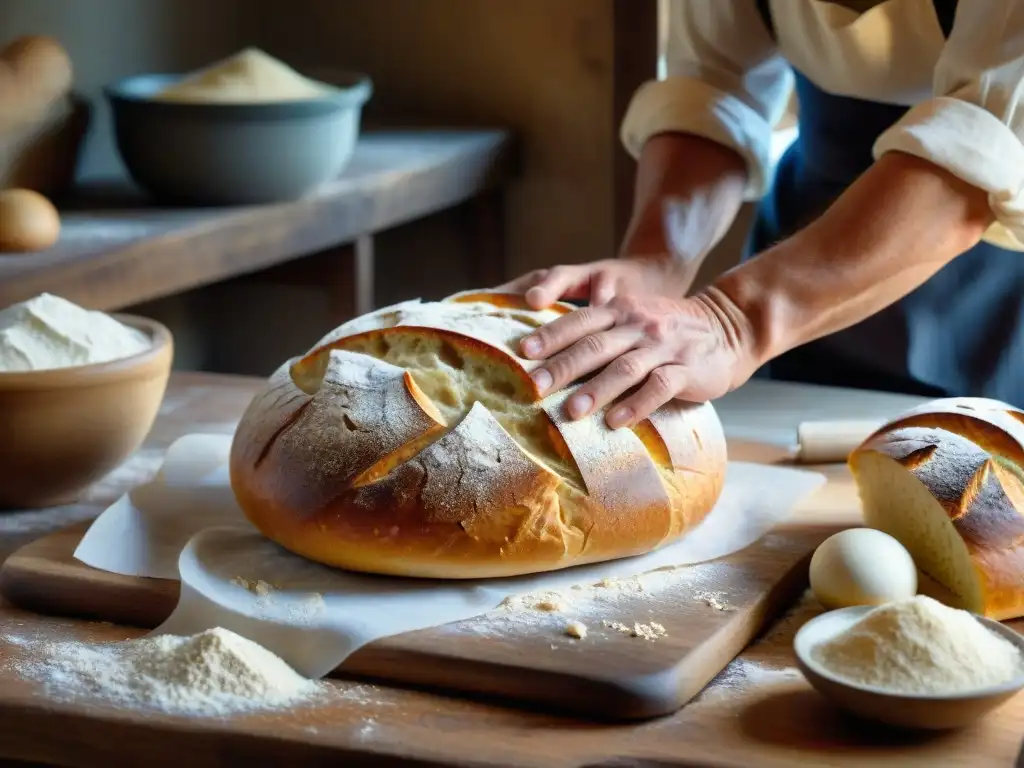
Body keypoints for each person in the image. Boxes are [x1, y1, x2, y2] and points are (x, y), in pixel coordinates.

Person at [499, 0, 1024, 428]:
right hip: (801, 239)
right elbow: (713, 89)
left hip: (984, 285)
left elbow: (983, 149)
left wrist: (735, 321)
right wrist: (655, 263)